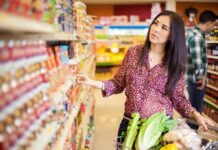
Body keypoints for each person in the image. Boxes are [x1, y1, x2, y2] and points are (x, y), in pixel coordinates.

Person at [76, 10, 213, 141]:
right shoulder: (133, 53)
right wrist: (92, 82)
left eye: (164, 28)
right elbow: (117, 83)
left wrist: (195, 114)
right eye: (155, 23)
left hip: (159, 129)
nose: (156, 29)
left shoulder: (176, 64)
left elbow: (177, 97)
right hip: (129, 126)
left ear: (173, 35)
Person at [185, 10, 216, 129]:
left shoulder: (194, 34)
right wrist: (202, 78)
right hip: (195, 82)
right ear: (208, 23)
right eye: (213, 24)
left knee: (192, 113)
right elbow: (198, 62)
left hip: (193, 81)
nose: (213, 27)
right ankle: (191, 141)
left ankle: (190, 138)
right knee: (195, 114)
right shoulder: (197, 37)